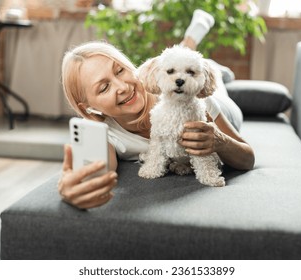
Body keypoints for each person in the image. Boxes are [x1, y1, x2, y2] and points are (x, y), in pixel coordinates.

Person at [58, 9, 255, 209]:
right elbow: (97, 170)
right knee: (181, 69)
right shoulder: (100, 129)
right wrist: (74, 186)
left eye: (120, 70)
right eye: (104, 87)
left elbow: (248, 158)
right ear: (90, 108)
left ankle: (201, 56)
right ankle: (190, 46)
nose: (123, 87)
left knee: (199, 73)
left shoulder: (192, 99)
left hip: (221, 103)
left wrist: (219, 141)